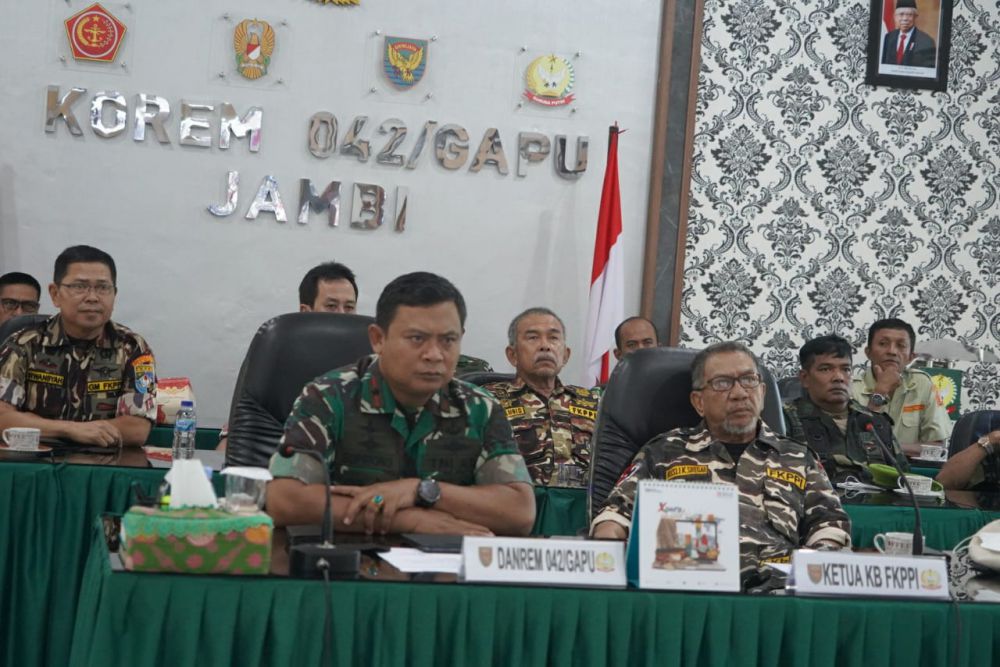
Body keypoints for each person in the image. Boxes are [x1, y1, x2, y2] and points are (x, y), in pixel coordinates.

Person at [266, 271, 535, 536]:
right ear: (378, 339)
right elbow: (283, 499)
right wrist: (407, 520)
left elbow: (520, 511)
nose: (434, 355)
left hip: (446, 560)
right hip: (347, 557)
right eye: (417, 338)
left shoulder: (480, 408)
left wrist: (421, 491)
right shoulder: (329, 397)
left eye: (448, 340)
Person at [591, 341, 851, 589]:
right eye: (722, 383)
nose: (739, 394)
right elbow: (614, 516)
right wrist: (608, 551)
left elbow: (830, 525)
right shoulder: (663, 452)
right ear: (699, 402)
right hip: (687, 590)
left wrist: (815, 570)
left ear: (762, 392)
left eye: (748, 380)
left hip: (778, 595)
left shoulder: (797, 457)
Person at [0, 246, 156, 447]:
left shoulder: (133, 348)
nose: (92, 297)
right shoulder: (23, 344)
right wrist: (71, 430)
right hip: (37, 460)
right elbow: (2, 418)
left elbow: (137, 429)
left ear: (114, 295)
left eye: (103, 288)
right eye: (79, 287)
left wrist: (40, 426)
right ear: (55, 294)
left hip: (103, 462)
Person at [483, 308, 599, 487]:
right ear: (513, 355)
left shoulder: (593, 402)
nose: (545, 346)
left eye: (553, 338)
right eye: (533, 338)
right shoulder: (486, 401)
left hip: (583, 502)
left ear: (565, 355)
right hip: (516, 500)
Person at [783, 335, 906, 484]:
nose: (839, 377)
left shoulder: (875, 422)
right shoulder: (786, 419)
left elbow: (903, 477)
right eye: (825, 369)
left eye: (846, 369)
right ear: (805, 378)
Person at [851, 318, 952, 446]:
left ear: (911, 357)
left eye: (901, 346)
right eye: (883, 344)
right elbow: (855, 445)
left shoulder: (922, 384)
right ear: (868, 352)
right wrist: (880, 392)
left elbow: (937, 445)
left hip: (911, 460)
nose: (892, 351)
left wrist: (893, 450)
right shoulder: (851, 389)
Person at [880, 0, 937, 68]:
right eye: (901, 14)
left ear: (915, 17)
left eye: (909, 15)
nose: (905, 19)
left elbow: (928, 71)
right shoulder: (888, 37)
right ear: (895, 17)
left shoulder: (927, 41)